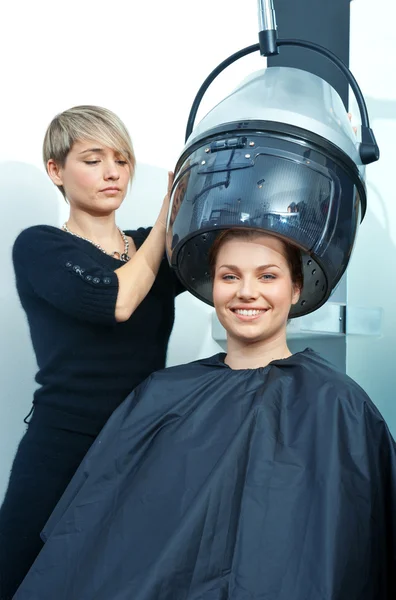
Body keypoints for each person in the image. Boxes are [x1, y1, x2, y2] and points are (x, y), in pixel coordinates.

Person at [14, 229, 396, 600]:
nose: (247, 291)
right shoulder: (162, 396)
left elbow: (355, 554)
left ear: (296, 288)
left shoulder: (338, 405)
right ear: (212, 287)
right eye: (230, 276)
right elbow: (92, 539)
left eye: (267, 275)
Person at [0, 105, 184, 599]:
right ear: (55, 170)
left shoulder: (153, 248)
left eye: (122, 161)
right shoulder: (39, 247)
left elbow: (234, 272)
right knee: (17, 578)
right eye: (93, 159)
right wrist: (167, 222)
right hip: (62, 445)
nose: (112, 173)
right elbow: (115, 299)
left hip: (141, 446)